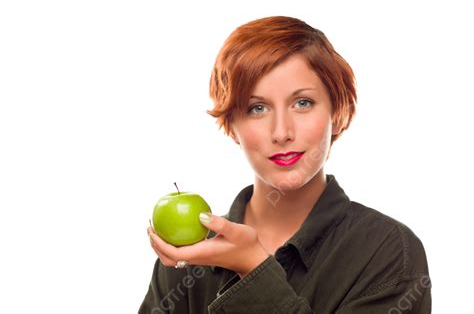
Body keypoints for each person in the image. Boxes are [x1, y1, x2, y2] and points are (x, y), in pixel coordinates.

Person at [139, 16, 431, 313]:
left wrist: (253, 270)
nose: (282, 132)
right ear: (231, 127)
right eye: (257, 108)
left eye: (302, 103)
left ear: (338, 112)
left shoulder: (390, 252)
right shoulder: (189, 257)